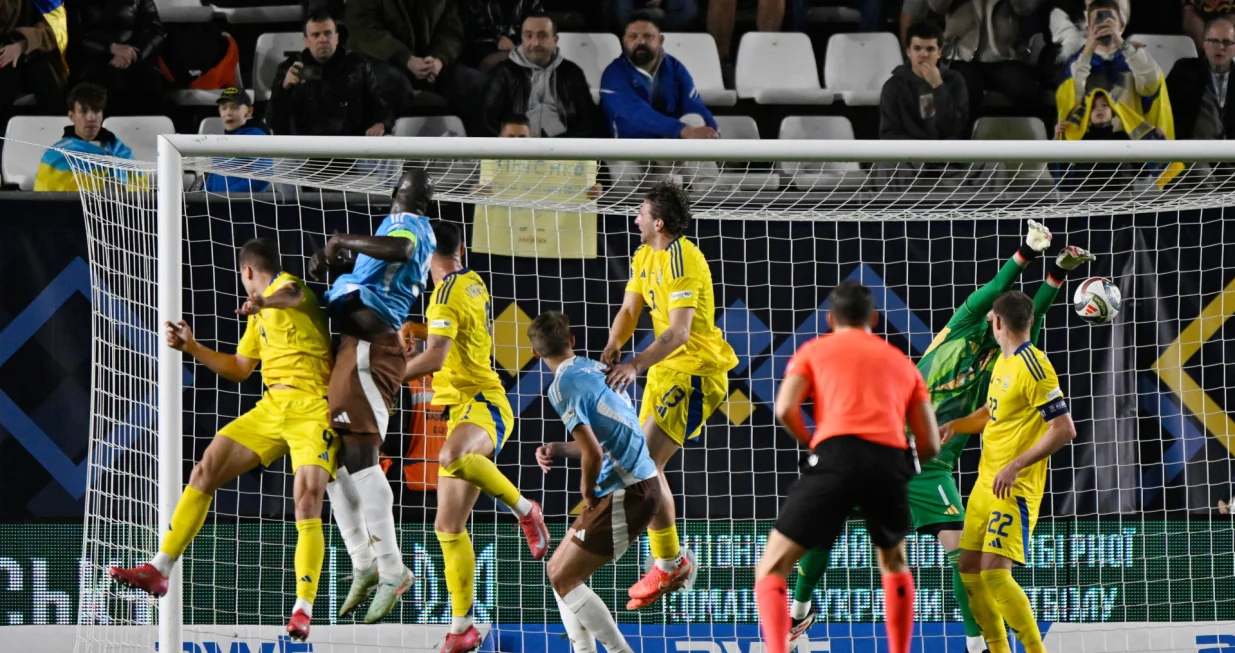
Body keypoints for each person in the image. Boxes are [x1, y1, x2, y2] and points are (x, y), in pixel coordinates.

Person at [787, 222, 1095, 652]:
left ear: (1001, 324)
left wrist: (1056, 278)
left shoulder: (1003, 365)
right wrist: (1026, 251)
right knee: (822, 523)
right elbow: (997, 287)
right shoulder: (961, 324)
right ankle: (799, 611)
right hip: (879, 447)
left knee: (962, 554)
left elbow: (1031, 318)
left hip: (930, 466)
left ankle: (976, 644)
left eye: (998, 316)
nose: (992, 315)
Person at [109, 239, 335, 642]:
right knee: (205, 469)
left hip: (312, 409)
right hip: (271, 408)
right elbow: (240, 369)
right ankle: (160, 569)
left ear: (247, 272)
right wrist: (192, 347)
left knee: (306, 499)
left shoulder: (289, 288)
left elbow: (293, 295)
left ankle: (303, 607)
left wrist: (263, 304)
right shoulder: (258, 317)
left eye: (242, 277)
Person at [754, 281, 941, 653]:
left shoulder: (815, 350)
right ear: (873, 318)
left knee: (772, 568)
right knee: (894, 562)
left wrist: (813, 444)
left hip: (835, 456)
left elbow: (784, 408)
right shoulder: (902, 364)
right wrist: (906, 466)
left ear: (829, 319)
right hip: (888, 462)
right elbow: (931, 442)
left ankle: (777, 648)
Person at [402, 221, 550, 653]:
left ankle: (526, 510)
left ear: (423, 254)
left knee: (450, 455)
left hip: (482, 404)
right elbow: (448, 343)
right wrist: (421, 338)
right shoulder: (473, 282)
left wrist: (386, 374)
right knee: (447, 525)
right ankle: (462, 626)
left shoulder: (443, 294)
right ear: (462, 249)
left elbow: (438, 354)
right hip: (466, 406)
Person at [307, 169, 437, 623]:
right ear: (396, 190)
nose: (423, 186)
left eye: (424, 184)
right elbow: (381, 265)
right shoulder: (389, 227)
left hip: (370, 351)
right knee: (337, 463)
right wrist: (337, 265)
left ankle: (393, 569)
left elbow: (400, 250)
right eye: (414, 180)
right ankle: (364, 563)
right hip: (354, 349)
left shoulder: (409, 227)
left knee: (361, 461)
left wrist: (341, 239)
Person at [602, 182, 738, 609]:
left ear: (658, 222)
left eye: (640, 213)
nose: (635, 218)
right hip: (665, 372)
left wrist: (633, 365)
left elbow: (679, 333)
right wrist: (613, 345)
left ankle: (669, 561)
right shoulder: (644, 255)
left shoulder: (684, 258)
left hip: (695, 370)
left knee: (644, 463)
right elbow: (629, 310)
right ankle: (668, 558)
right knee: (638, 464)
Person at [945, 291, 1078, 653]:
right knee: (969, 571)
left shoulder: (1034, 364)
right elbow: (991, 413)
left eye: (991, 318)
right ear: (1029, 321)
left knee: (994, 574)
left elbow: (1064, 429)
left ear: (999, 322)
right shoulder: (1002, 363)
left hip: (1014, 487)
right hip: (984, 486)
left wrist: (1016, 465)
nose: (989, 321)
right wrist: (955, 426)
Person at [532, 311, 660, 653]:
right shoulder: (594, 367)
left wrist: (585, 491)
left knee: (564, 577)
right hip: (633, 482)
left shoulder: (560, 386)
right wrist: (557, 448)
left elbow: (594, 455)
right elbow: (603, 440)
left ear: (536, 355)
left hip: (627, 490)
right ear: (572, 341)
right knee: (558, 573)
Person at [345, 0, 487, 129]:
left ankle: (477, 150)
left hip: (430, 64)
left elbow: (452, 31)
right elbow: (365, 32)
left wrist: (438, 60)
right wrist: (407, 59)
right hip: (382, 60)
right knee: (392, 83)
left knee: (476, 84)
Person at [1057, 0, 1172, 140]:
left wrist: (1122, 44)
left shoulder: (1135, 57)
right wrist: (1089, 49)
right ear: (1088, 29)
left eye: (1109, 21)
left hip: (1130, 144)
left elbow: (1151, 84)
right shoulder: (1078, 63)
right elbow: (1074, 99)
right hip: (1091, 145)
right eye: (1097, 23)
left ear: (1122, 25)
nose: (1104, 26)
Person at [267, 11, 392, 138]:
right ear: (306, 41)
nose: (323, 39)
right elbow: (273, 121)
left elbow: (382, 108)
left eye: (328, 33)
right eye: (316, 35)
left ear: (336, 37)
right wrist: (284, 88)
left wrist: (381, 124)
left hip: (352, 148)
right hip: (305, 149)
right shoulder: (290, 68)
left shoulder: (358, 65)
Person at [599, 14, 718, 139]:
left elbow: (693, 104)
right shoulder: (613, 74)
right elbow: (637, 113)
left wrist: (713, 131)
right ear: (624, 41)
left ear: (660, 40)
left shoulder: (674, 67)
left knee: (695, 119)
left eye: (648, 36)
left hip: (670, 142)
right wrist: (682, 130)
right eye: (633, 37)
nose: (641, 42)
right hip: (628, 148)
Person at [480, 12, 597, 138]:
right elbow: (486, 121)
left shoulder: (572, 73)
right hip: (517, 149)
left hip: (564, 149)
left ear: (555, 40)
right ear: (522, 39)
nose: (535, 43)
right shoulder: (505, 72)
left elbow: (588, 123)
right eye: (529, 36)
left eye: (542, 36)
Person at [67, 0, 166, 116]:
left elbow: (156, 31)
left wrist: (132, 55)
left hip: (136, 58)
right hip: (94, 59)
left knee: (151, 82)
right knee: (108, 82)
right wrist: (110, 47)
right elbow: (75, 35)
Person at [34, 83, 135, 192]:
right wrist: (102, 187)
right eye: (84, 111)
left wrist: (123, 187)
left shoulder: (120, 150)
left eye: (96, 111)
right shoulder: (55, 155)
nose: (91, 118)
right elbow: (47, 197)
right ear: (72, 116)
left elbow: (141, 186)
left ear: (102, 115)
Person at [879, 21, 968, 141]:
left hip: (945, 155)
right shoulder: (893, 86)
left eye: (930, 49)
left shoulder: (954, 80)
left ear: (939, 53)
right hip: (908, 156)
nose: (924, 54)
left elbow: (955, 129)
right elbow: (889, 134)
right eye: (917, 48)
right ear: (908, 52)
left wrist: (938, 85)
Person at [1167, 16, 1235, 140]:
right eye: (1214, 41)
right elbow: (1165, 107)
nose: (1220, 47)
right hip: (1193, 152)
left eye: (1226, 42)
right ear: (1204, 44)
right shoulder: (1184, 70)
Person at [0, 0, 68, 116]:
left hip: (37, 52)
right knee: (7, 75)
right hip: (4, 52)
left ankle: (54, 129)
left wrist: (23, 44)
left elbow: (55, 29)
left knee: (44, 77)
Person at [203, 86, 272, 194]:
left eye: (235, 107)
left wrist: (227, 196)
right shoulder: (222, 140)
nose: (228, 112)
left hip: (243, 207)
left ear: (249, 111)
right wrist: (205, 196)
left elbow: (262, 177)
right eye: (224, 108)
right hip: (218, 206)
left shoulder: (257, 137)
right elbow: (212, 175)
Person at [460, 0, 544, 73]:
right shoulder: (477, 3)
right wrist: (497, 39)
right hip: (480, 66)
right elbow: (471, 32)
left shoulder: (531, 3)